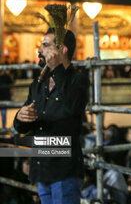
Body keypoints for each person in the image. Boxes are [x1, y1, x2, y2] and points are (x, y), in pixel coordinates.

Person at [13, 28, 89, 204]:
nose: (40, 50)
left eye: (46, 45)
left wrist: (57, 69)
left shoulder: (78, 80)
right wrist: (20, 116)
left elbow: (73, 107)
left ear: (62, 50)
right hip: (42, 169)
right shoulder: (38, 85)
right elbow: (21, 126)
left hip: (65, 171)